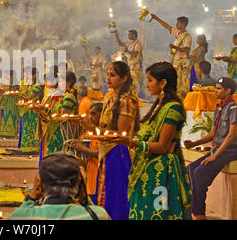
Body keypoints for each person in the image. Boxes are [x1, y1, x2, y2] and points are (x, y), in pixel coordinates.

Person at [109, 62, 192, 220]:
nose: (146, 85)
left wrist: (131, 142)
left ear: (163, 83)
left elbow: (162, 146)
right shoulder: (158, 105)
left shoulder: (173, 108)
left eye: (150, 80)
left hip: (161, 172)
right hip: (146, 167)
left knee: (156, 214)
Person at [77, 61, 139, 220]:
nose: (108, 78)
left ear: (124, 78)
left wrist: (91, 128)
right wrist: (90, 127)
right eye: (108, 74)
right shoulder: (110, 98)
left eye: (113, 75)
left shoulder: (127, 101)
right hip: (107, 151)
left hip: (119, 151)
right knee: (105, 191)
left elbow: (119, 134)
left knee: (115, 194)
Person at [184, 77, 236, 220]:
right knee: (190, 170)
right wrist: (193, 144)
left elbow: (231, 135)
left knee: (200, 174)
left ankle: (199, 214)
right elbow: (212, 134)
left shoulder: (233, 108)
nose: (215, 91)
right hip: (219, 148)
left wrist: (214, 155)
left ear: (228, 91)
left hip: (230, 150)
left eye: (218, 88)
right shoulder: (219, 107)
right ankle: (193, 209)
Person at [8, 153, 110, 220]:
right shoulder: (98, 215)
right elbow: (91, 210)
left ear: (39, 184)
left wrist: (32, 197)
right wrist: (83, 193)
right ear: (79, 183)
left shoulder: (22, 216)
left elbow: (21, 213)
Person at [150, 14, 192, 99]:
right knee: (174, 82)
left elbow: (187, 50)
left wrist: (174, 47)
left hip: (180, 64)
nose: (176, 24)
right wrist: (156, 18)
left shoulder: (187, 36)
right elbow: (167, 26)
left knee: (180, 84)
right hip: (175, 63)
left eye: (178, 23)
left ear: (183, 24)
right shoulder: (178, 34)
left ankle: (180, 100)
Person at [68, 102, 102, 197]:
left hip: (99, 176)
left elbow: (102, 153)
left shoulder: (105, 134)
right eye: (90, 114)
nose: (90, 117)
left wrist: (82, 148)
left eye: (94, 114)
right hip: (91, 173)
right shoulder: (93, 131)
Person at [18, 68, 43, 153]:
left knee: (33, 128)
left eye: (29, 74)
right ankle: (27, 147)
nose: (27, 76)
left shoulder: (37, 86)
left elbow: (29, 98)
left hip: (34, 111)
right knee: (26, 128)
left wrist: (18, 95)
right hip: (27, 110)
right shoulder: (30, 86)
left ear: (34, 75)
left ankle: (35, 147)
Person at [113, 29, 143, 95]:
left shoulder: (138, 44)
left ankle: (135, 97)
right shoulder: (129, 44)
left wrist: (127, 51)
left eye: (129, 34)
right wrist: (116, 35)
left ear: (134, 35)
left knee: (134, 83)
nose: (128, 36)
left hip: (135, 66)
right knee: (129, 83)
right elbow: (120, 44)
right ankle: (130, 95)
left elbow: (135, 54)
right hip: (129, 66)